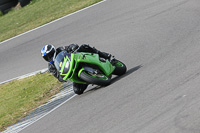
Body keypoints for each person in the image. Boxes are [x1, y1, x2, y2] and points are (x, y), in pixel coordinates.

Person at [41, 44, 113, 93]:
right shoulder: (51, 67)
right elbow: (58, 77)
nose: (49, 58)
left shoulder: (60, 49)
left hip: (76, 60)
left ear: (53, 51)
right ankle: (88, 80)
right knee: (77, 90)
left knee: (84, 46)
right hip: (72, 72)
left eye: (49, 55)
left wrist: (73, 47)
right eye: (46, 57)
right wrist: (62, 77)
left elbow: (70, 47)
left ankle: (106, 56)